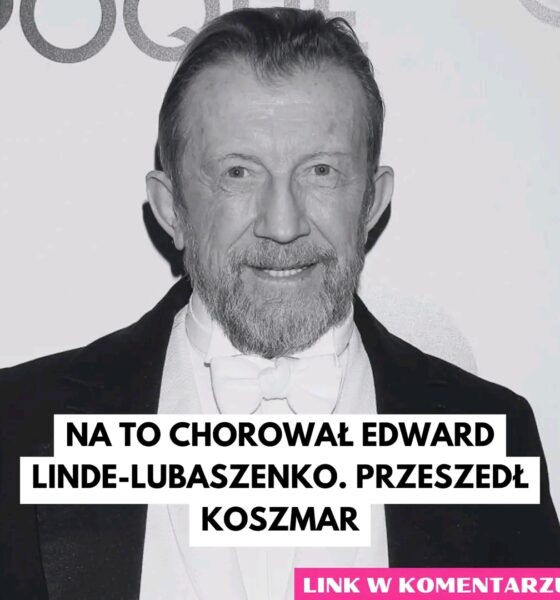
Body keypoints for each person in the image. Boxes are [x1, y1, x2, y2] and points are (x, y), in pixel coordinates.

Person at [1, 6, 559, 600]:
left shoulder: (493, 433)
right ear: (172, 209)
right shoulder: (19, 425)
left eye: (321, 171)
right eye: (238, 173)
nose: (283, 224)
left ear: (372, 202)